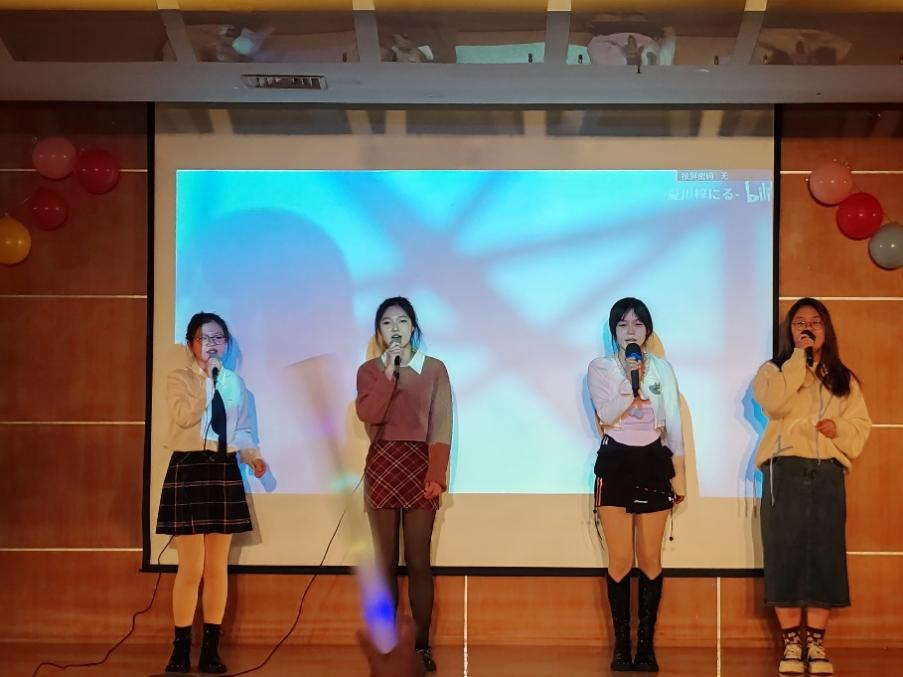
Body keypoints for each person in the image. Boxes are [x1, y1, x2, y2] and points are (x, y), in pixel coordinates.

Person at [753, 298, 870, 676]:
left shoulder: (842, 377)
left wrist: (840, 429)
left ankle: (816, 643)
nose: (808, 328)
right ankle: (791, 643)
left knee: (824, 555)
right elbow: (774, 404)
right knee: (785, 555)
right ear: (790, 332)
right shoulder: (773, 370)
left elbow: (860, 425)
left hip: (827, 472)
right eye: (799, 322)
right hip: (784, 470)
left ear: (826, 329)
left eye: (815, 322)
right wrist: (796, 361)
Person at [156, 312, 267, 674]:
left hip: (223, 470)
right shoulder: (179, 379)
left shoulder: (237, 384)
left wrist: (253, 458)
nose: (212, 344)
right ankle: (179, 648)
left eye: (218, 338)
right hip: (188, 468)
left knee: (217, 567)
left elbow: (243, 431)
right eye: (204, 339)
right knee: (191, 567)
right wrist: (209, 385)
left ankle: (210, 650)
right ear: (191, 345)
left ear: (227, 343)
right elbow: (183, 417)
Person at [587, 297, 686, 673]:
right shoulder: (600, 368)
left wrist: (679, 475)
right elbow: (607, 413)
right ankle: (621, 645)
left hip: (653, 463)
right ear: (614, 332)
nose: (631, 331)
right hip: (615, 462)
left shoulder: (662, 368)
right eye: (623, 324)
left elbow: (673, 422)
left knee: (649, 557)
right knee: (619, 559)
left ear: (648, 330)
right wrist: (631, 382)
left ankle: (645, 645)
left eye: (638, 324)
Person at [355, 297, 452, 673]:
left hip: (420, 463)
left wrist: (436, 473)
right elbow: (369, 413)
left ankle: (421, 646)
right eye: (386, 322)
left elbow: (441, 422)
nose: (395, 328)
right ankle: (388, 646)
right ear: (378, 332)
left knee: (417, 559)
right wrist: (388, 373)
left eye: (402, 321)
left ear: (414, 327)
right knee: (384, 562)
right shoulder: (369, 371)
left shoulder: (434, 368)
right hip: (383, 463)